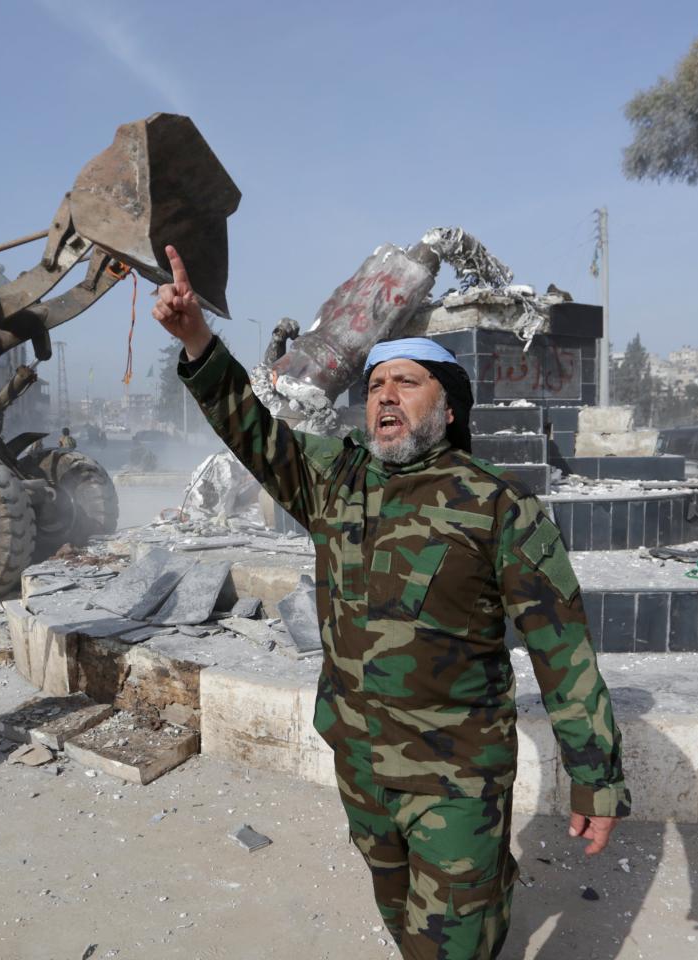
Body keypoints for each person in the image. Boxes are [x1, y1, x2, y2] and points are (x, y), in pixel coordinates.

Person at [153, 245, 628, 958]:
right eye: (377, 384)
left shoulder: (499, 508)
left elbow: (563, 651)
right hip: (363, 767)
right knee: (404, 920)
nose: (384, 396)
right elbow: (253, 432)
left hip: (455, 780)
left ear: (448, 404)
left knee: (450, 945)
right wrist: (196, 339)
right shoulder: (336, 480)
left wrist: (594, 777)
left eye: (406, 383)